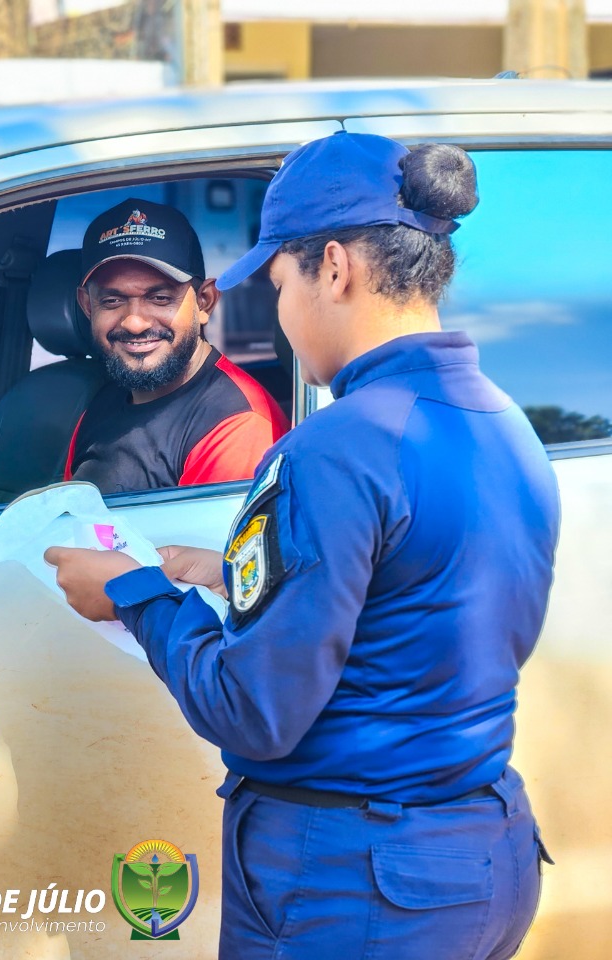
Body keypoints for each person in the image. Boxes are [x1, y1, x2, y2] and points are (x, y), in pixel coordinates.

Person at [45, 134, 558, 960]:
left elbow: (251, 711)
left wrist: (135, 593)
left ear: (334, 268)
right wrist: (230, 574)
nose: (280, 315)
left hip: (356, 884)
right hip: (483, 853)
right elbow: (412, 597)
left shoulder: (334, 450)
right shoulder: (505, 423)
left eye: (280, 284)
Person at [64, 198, 288, 493]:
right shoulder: (100, 402)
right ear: (87, 306)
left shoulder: (236, 424)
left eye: (160, 299)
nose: (134, 323)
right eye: (112, 301)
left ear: (204, 302)